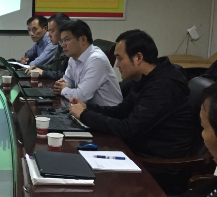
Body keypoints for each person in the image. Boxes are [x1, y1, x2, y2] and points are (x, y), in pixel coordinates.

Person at [69, 29, 193, 174]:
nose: (117, 65)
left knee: (82, 168)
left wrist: (85, 115)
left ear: (138, 57)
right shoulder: (145, 79)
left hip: (157, 165)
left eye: (120, 59)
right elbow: (121, 111)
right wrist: (87, 108)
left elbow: (128, 130)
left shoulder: (162, 87)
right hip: (137, 152)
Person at [53, 20, 122, 106]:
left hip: (107, 111)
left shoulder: (96, 59)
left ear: (83, 39)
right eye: (62, 41)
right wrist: (61, 84)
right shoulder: (73, 57)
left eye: (66, 40)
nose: (63, 45)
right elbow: (68, 80)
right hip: (87, 108)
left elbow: (81, 97)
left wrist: (63, 90)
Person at [26, 13, 70, 80]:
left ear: (63, 30)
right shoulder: (60, 46)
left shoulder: (71, 48)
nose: (48, 35)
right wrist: (39, 68)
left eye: (51, 31)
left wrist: (43, 73)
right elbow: (54, 68)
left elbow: (66, 76)